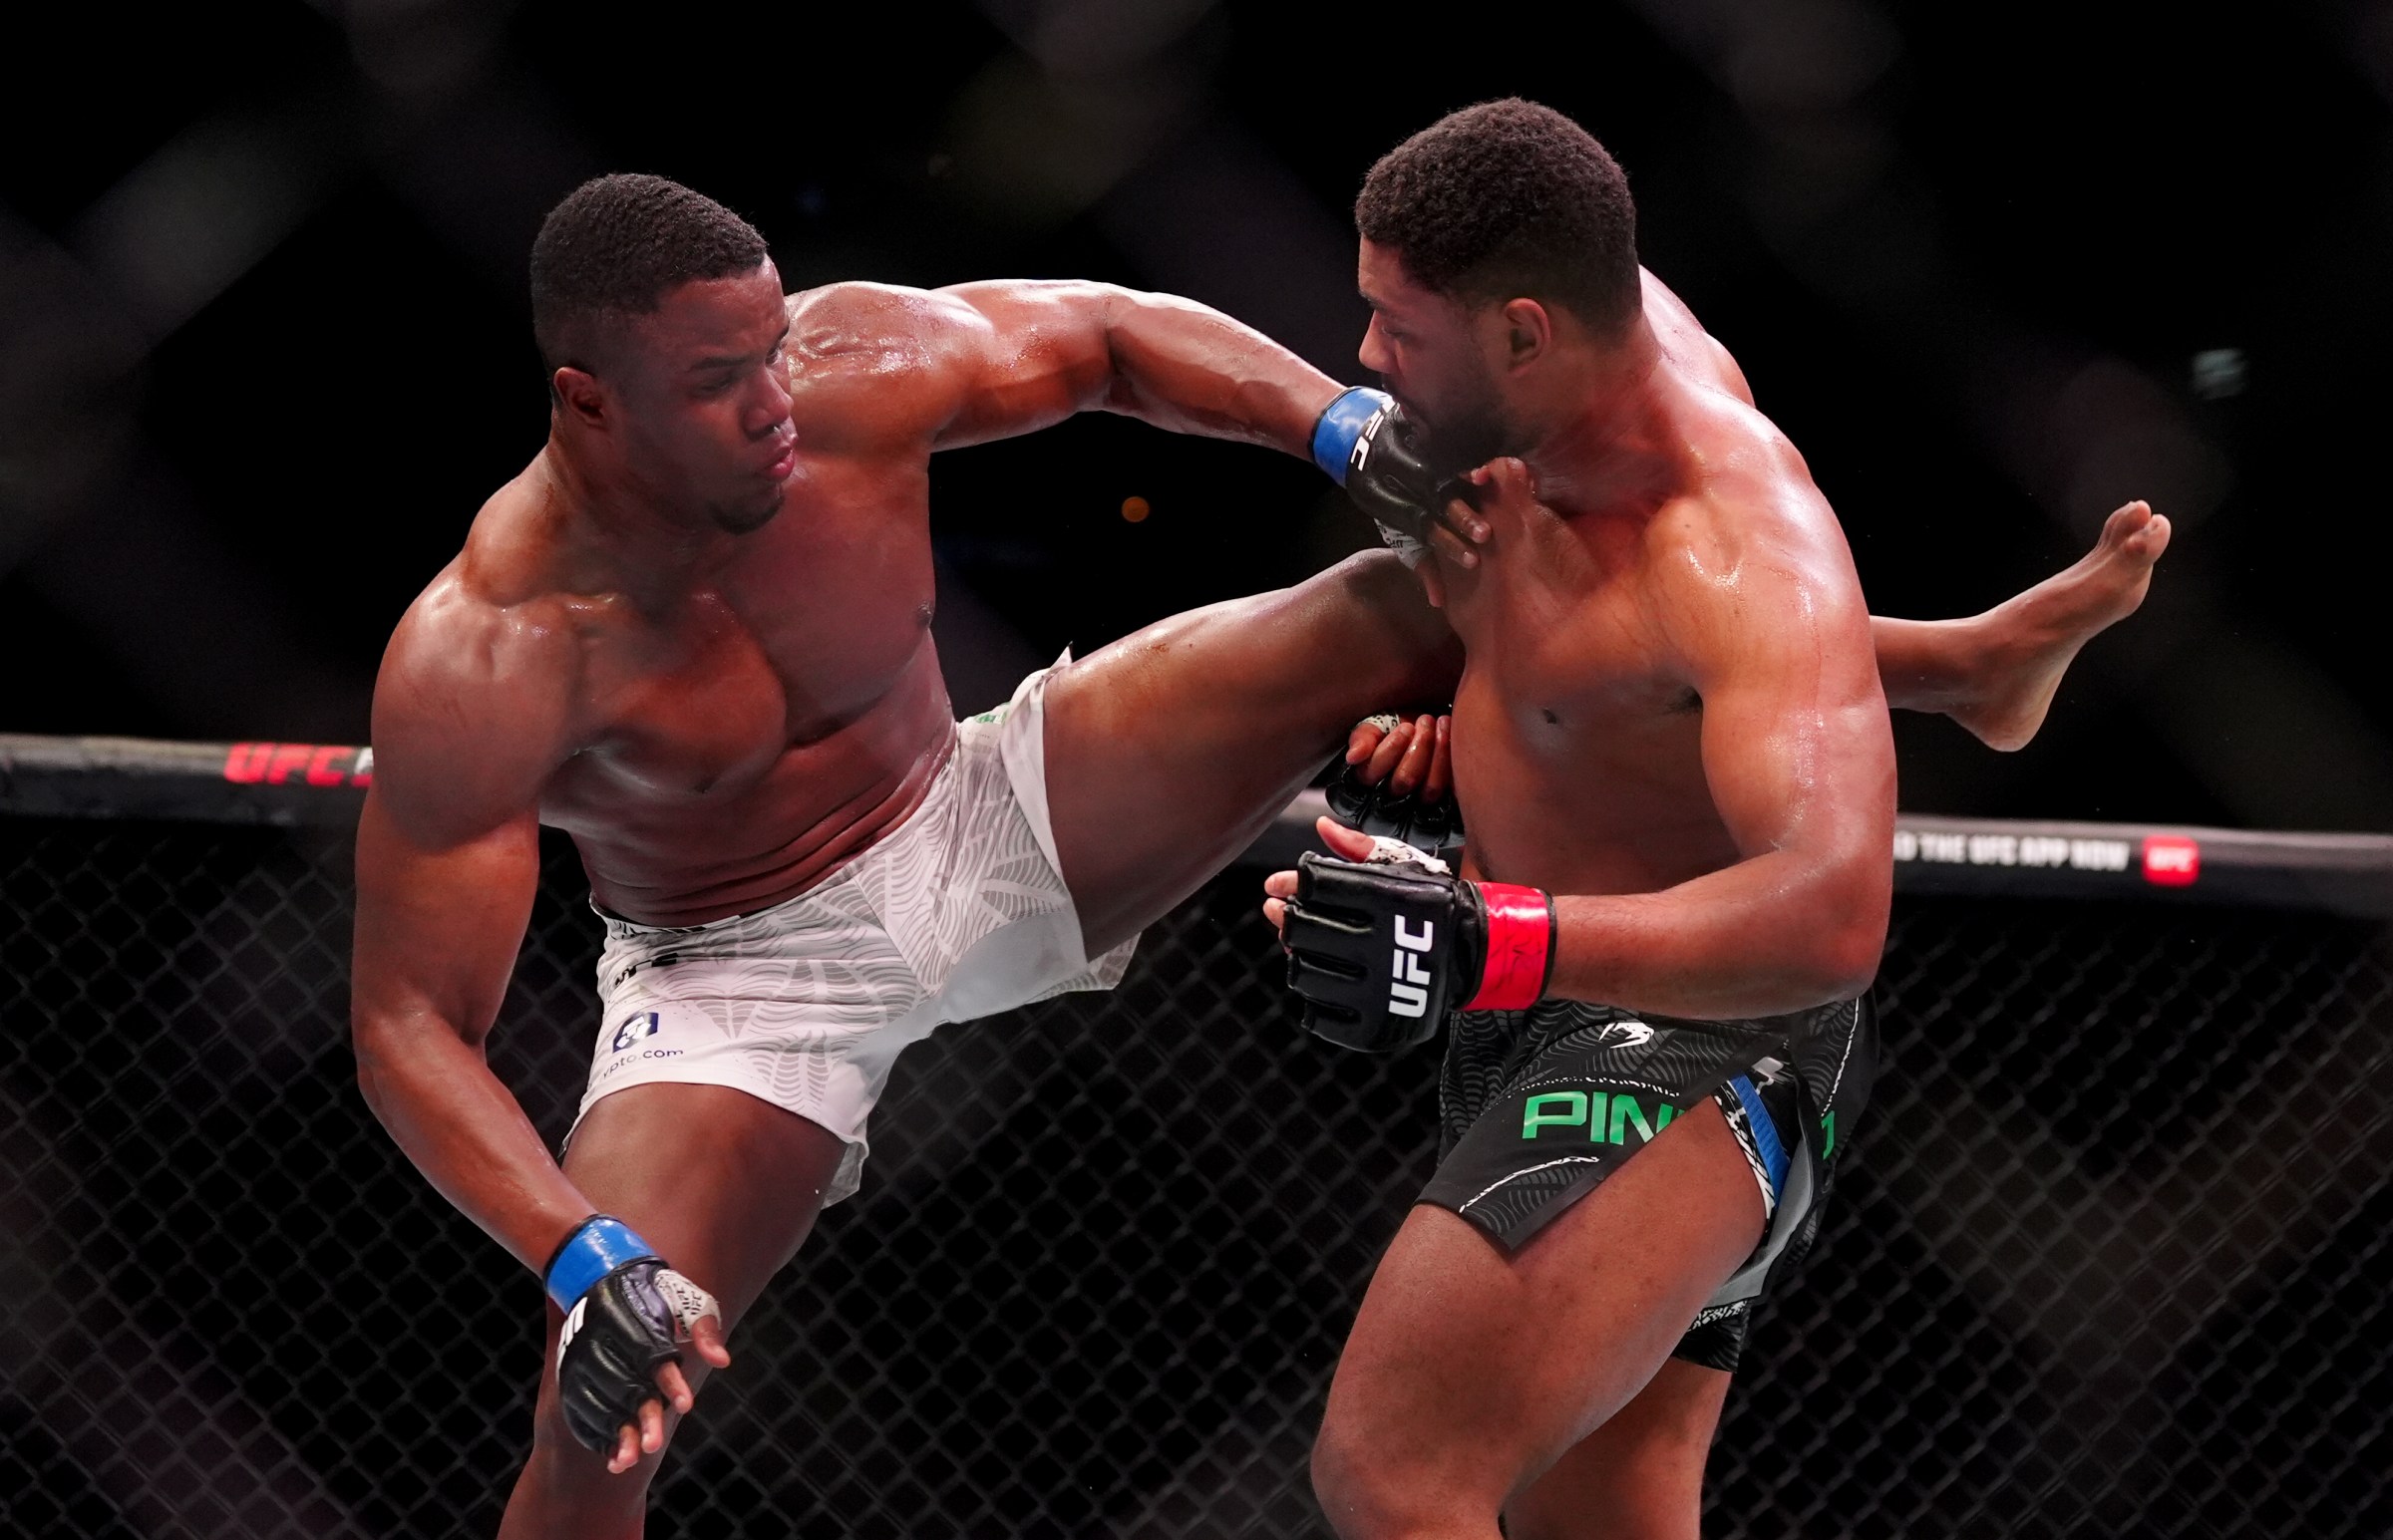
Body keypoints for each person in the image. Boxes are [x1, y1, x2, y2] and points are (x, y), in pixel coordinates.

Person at [349, 170, 2160, 1535]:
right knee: (607, 1395)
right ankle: (1929, 680)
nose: (776, 403)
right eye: (719, 382)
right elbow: (412, 1025)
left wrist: (1332, 422)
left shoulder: (854, 368)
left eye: (773, 350)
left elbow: (1113, 336)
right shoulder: (486, 653)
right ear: (589, 402)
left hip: (984, 809)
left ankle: (1941, 665)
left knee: (1430, 581)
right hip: (746, 972)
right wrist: (571, 1247)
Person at [1265, 100, 2163, 1540]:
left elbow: (1831, 915)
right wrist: (1461, 757)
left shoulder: (1736, 541)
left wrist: (1483, 935)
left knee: (1394, 1469)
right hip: (1536, 1010)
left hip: (1698, 1041)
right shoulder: (1556, 371)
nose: (1367, 359)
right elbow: (1608, 658)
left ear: (1524, 334)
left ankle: (1966, 670)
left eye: (1402, 331)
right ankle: (1967, 668)